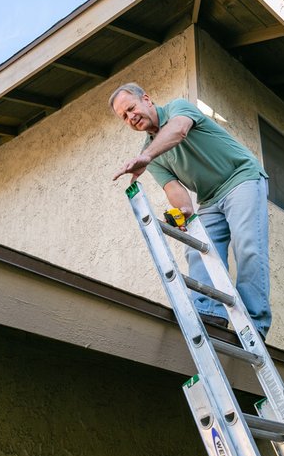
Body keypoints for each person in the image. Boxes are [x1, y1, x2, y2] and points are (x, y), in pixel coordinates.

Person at [110, 82, 272, 339]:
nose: (131, 117)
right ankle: (210, 313)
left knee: (247, 246)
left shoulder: (178, 108)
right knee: (197, 248)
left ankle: (254, 326)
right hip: (209, 199)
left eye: (131, 108)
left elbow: (179, 131)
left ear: (147, 100)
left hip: (241, 177)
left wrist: (148, 156)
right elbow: (177, 192)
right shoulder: (149, 156)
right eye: (124, 116)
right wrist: (184, 212)